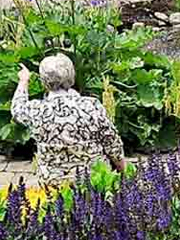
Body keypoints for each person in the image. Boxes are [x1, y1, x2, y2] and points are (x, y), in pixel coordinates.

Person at [12, 55, 126, 187]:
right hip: (94, 180)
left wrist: (24, 81)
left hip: (52, 183)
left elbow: (17, 109)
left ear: (44, 81)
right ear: (71, 76)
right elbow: (112, 143)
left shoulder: (37, 110)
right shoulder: (91, 106)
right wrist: (124, 173)